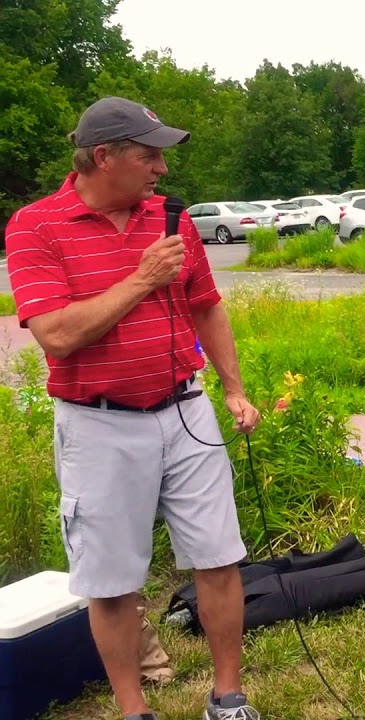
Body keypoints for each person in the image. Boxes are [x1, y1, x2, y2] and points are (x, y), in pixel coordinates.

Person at [3, 96, 262, 720]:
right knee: (113, 580)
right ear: (104, 157)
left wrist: (232, 388)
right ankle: (133, 710)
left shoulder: (170, 219)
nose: (162, 171)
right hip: (98, 424)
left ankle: (228, 697)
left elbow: (206, 304)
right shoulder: (35, 227)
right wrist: (143, 278)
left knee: (219, 556)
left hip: (185, 408)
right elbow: (58, 335)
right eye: (149, 156)